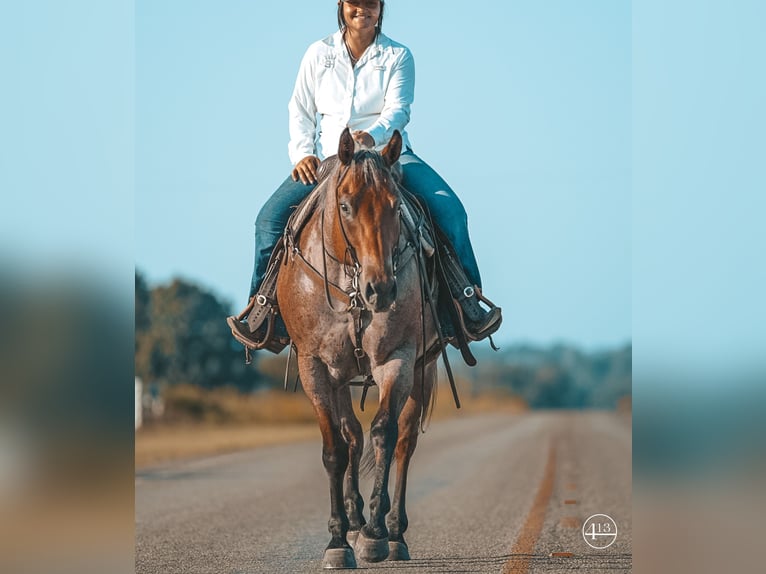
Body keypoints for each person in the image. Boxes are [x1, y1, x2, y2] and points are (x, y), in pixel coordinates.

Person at [228, 0, 501, 348]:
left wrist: (372, 136)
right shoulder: (318, 53)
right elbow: (300, 109)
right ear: (342, 6)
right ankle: (263, 311)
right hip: (329, 159)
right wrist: (302, 155)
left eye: (370, 3)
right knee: (267, 221)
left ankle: (465, 306)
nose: (363, 10)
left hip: (388, 158)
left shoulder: (398, 56)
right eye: (355, 3)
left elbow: (398, 110)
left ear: (381, 7)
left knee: (451, 212)